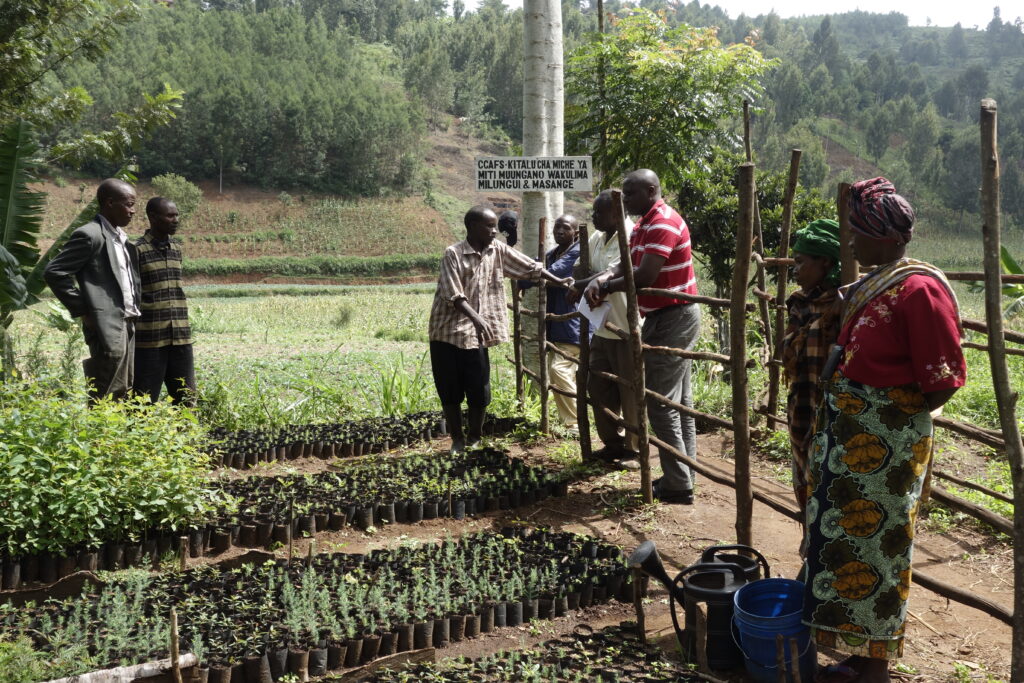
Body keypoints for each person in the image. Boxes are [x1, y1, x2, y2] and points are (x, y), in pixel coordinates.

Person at [803, 178, 965, 683]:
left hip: (885, 453)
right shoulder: (885, 281)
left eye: (857, 234)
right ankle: (856, 652)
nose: (850, 244)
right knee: (846, 548)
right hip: (852, 447)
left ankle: (875, 666)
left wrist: (885, 417)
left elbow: (941, 381)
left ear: (888, 238)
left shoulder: (919, 290)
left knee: (878, 549)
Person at [584, 170, 701, 504]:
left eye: (631, 194)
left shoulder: (662, 221)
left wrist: (604, 285)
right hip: (662, 316)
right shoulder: (642, 226)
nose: (626, 200)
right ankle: (683, 476)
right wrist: (605, 276)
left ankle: (679, 484)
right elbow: (625, 264)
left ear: (651, 191)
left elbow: (646, 274)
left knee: (660, 403)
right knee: (678, 403)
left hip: (674, 316)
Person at [429, 206, 572, 453]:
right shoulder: (453, 254)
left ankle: (474, 437)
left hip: (475, 334)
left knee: (479, 387)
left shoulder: (497, 250)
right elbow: (454, 294)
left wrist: (559, 281)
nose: (495, 230)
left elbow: (531, 267)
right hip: (447, 332)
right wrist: (476, 318)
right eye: (489, 226)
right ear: (472, 227)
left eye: (495, 225)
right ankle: (457, 439)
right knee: (449, 389)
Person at [45, 178, 142, 402]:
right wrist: (83, 311)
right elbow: (55, 272)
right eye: (128, 204)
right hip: (106, 324)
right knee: (105, 389)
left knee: (123, 388)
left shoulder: (120, 238)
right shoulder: (90, 235)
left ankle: (113, 436)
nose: (133, 211)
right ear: (109, 203)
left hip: (126, 321)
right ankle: (98, 436)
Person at [570, 190, 640, 464]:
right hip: (601, 326)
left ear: (615, 212)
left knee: (631, 392)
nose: (594, 217)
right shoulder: (597, 238)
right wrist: (580, 280)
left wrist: (582, 284)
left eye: (598, 212)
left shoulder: (631, 235)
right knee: (598, 388)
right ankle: (612, 442)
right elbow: (581, 267)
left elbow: (612, 273)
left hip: (627, 325)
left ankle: (633, 448)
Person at [781, 219, 842, 513]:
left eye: (801, 262)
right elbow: (786, 352)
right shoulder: (800, 303)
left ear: (826, 262)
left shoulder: (850, 304)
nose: (795, 269)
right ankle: (809, 536)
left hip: (836, 407)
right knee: (804, 472)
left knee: (831, 477)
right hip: (804, 401)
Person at [132, 197, 197, 405]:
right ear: (152, 217)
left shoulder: (176, 250)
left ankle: (186, 436)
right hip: (150, 337)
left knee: (186, 398)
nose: (176, 219)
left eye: (177, 215)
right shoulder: (136, 250)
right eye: (170, 215)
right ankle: (141, 438)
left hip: (180, 335)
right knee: (143, 400)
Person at [519, 214, 581, 430]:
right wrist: (521, 281)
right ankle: (573, 420)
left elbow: (550, 273)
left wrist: (525, 279)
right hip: (558, 325)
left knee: (559, 370)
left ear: (576, 233)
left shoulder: (577, 251)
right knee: (564, 371)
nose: (559, 231)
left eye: (565, 228)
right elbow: (534, 269)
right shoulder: (552, 253)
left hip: (573, 324)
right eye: (557, 227)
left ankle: (574, 424)